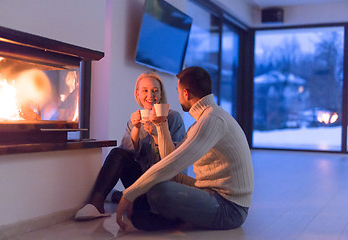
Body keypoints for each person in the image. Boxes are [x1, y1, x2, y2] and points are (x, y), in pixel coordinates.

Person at [116, 66, 254, 231]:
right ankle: (171, 218)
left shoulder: (211, 121)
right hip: (209, 190)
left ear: (186, 94)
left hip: (229, 209)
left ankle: (176, 222)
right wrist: (161, 124)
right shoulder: (206, 118)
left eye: (178, 91)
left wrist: (129, 194)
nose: (178, 96)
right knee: (160, 183)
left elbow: (173, 164)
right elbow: (172, 158)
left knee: (158, 191)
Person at [75, 71, 186, 220]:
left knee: (141, 215)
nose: (150, 95)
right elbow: (124, 155)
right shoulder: (134, 120)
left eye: (155, 91)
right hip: (140, 181)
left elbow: (176, 159)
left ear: (160, 95)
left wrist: (157, 133)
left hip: (164, 182)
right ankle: (96, 204)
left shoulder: (173, 118)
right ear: (138, 94)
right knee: (117, 152)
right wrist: (136, 129)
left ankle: (117, 196)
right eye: (145, 90)